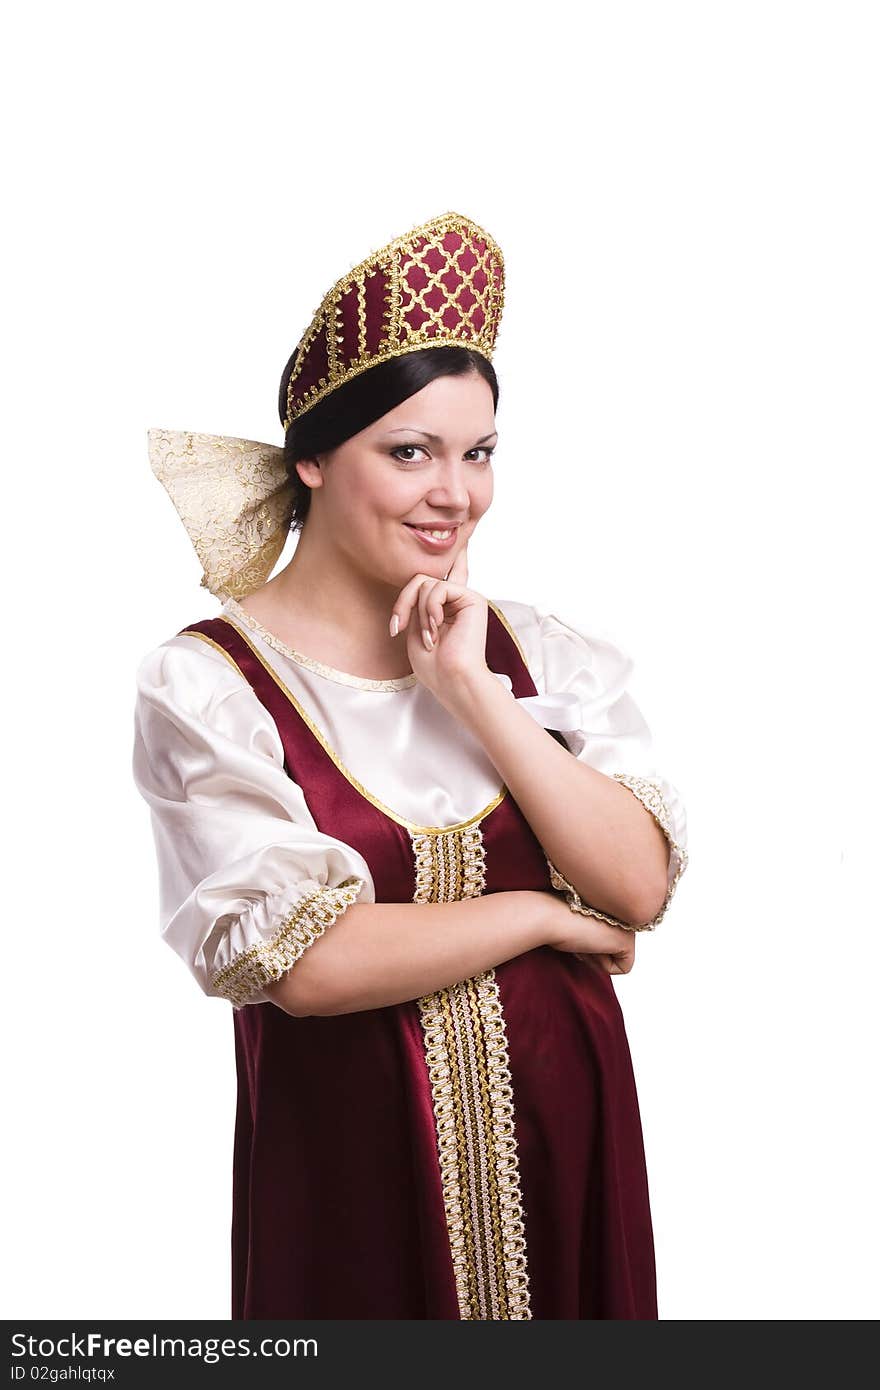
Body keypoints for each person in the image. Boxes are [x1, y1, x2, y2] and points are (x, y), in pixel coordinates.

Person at [132, 210, 689, 1320]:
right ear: (311, 460)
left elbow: (636, 887)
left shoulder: (529, 654)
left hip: (567, 1139)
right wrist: (541, 918)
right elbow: (308, 966)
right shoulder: (210, 684)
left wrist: (477, 697)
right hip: (354, 1175)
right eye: (410, 452)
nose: (456, 493)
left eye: (478, 452)